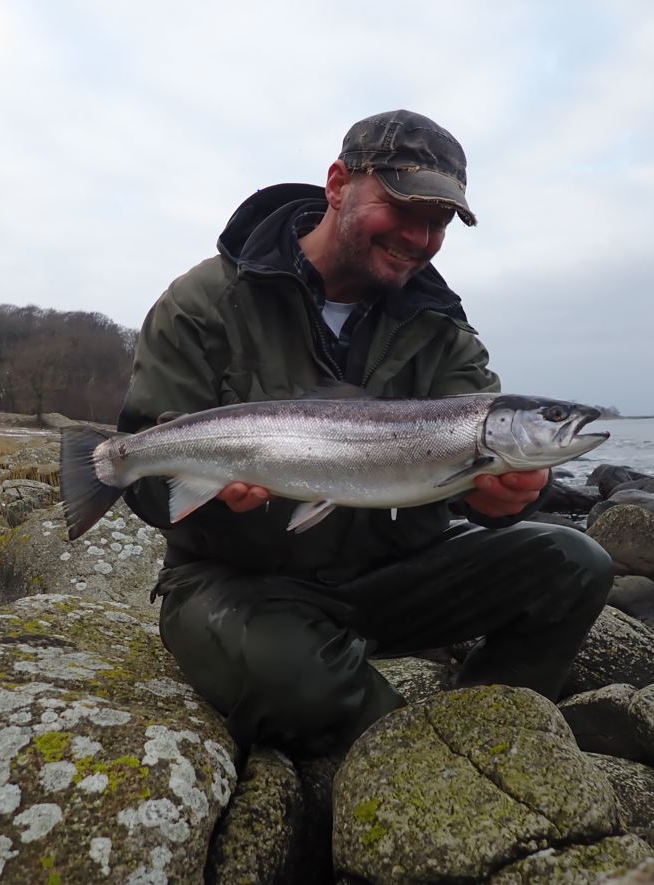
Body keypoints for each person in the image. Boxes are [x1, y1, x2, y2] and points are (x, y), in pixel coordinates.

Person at [117, 110, 612, 755]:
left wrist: (505, 497)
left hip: (391, 574)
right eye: (403, 207)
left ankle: (488, 724)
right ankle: (429, 756)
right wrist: (207, 495)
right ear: (338, 184)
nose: (420, 235)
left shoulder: (444, 332)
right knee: (295, 682)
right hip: (238, 580)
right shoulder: (206, 302)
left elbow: (480, 491)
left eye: (439, 222)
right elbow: (144, 470)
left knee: (576, 562)